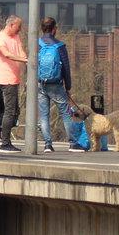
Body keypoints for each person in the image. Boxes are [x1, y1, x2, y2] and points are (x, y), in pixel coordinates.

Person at [37, 16, 77, 153]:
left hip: (41, 83)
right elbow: (66, 67)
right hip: (56, 84)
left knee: (44, 115)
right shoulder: (60, 46)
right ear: (54, 29)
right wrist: (68, 87)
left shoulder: (37, 44)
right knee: (65, 113)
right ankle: (73, 143)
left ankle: (47, 144)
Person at [0, 15, 28, 153]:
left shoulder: (15, 37)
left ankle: (6, 140)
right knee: (9, 111)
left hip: (15, 78)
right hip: (6, 78)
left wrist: (26, 58)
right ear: (11, 25)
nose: (19, 30)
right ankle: (5, 142)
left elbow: (20, 51)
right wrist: (26, 60)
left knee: (14, 111)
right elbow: (7, 54)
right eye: (18, 27)